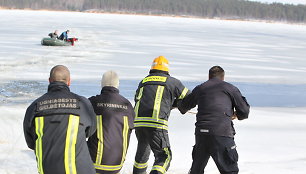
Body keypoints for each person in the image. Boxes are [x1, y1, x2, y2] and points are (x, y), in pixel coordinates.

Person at [23, 65, 97, 174]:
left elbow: (30, 141)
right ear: (69, 82)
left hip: (48, 168)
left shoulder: (35, 106)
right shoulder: (82, 103)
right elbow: (91, 130)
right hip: (80, 169)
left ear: (49, 81)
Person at [178, 66, 250, 174]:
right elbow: (244, 111)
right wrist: (236, 115)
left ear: (209, 76)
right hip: (221, 133)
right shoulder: (230, 88)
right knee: (229, 170)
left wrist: (175, 103)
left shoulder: (201, 88)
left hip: (201, 134)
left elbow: (183, 106)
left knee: (196, 171)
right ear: (223, 77)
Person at [133, 56, 190, 174]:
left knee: (142, 153)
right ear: (167, 69)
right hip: (156, 123)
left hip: (138, 123)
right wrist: (178, 105)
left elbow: (137, 99)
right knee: (164, 156)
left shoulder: (144, 81)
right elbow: (189, 98)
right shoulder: (172, 81)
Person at [87, 70, 135, 174]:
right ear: (118, 85)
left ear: (102, 84)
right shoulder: (127, 105)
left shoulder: (93, 102)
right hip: (117, 164)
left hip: (95, 163)